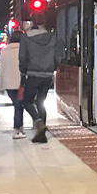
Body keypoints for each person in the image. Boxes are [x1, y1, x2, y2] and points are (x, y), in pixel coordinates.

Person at [19, 12, 60, 143]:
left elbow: (23, 57)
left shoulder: (26, 37)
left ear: (32, 22)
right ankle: (41, 135)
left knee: (26, 101)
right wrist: (52, 67)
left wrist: (23, 72)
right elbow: (58, 56)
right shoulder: (52, 37)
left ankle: (39, 123)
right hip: (47, 75)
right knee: (41, 102)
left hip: (33, 74)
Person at [0, 31, 25, 138]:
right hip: (22, 83)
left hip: (9, 83)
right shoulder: (24, 50)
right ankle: (17, 129)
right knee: (19, 105)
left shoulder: (4, 51)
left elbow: (0, 69)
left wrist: (0, 86)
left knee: (18, 105)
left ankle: (19, 127)